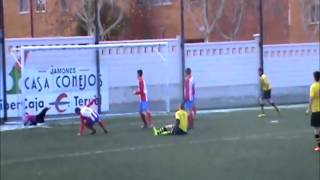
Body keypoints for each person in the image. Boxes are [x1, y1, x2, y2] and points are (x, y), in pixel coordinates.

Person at [306, 71, 320, 152]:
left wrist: (308, 109)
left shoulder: (313, 86)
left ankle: (318, 146)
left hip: (316, 110)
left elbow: (311, 98)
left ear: (314, 77)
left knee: (316, 128)